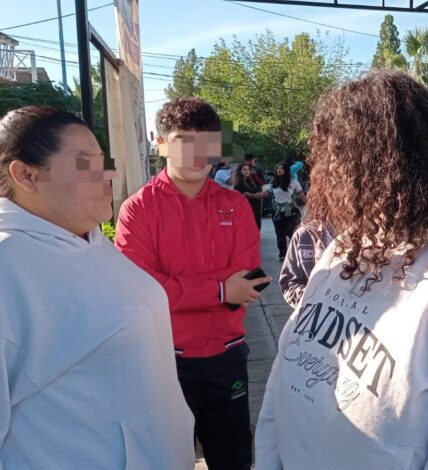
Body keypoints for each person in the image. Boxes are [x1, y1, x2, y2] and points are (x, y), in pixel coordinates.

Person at [254, 71, 428, 469]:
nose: (325, 176)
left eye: (339, 161)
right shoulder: (348, 244)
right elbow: (286, 368)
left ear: (387, 166)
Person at [0, 106, 194, 468]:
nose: (107, 174)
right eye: (85, 163)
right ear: (26, 175)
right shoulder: (8, 265)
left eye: (102, 162)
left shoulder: (87, 239)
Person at [115, 97, 270, 470]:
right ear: (161, 143)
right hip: (164, 360)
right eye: (185, 141)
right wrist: (220, 290)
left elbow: (247, 280)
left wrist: (179, 288)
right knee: (166, 460)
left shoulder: (235, 204)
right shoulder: (138, 209)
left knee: (234, 459)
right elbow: (141, 290)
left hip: (227, 355)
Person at [278, 221, 333, 308]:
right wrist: (312, 300)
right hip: (316, 312)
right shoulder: (304, 235)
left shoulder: (356, 236)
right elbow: (289, 283)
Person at [259, 163, 307, 262]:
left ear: (286, 170)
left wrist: (310, 205)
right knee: (280, 234)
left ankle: (299, 252)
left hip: (291, 212)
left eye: (281, 168)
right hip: (277, 213)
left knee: (292, 233)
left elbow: (301, 195)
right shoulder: (274, 183)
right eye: (277, 168)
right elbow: (266, 193)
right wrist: (253, 195)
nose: (279, 170)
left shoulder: (293, 182)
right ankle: (283, 255)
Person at [235, 162, 264, 230]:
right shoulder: (238, 183)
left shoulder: (251, 180)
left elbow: (260, 186)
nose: (247, 171)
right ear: (240, 171)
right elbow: (239, 197)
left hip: (256, 207)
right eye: (244, 169)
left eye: (248, 169)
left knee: (257, 227)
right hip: (247, 209)